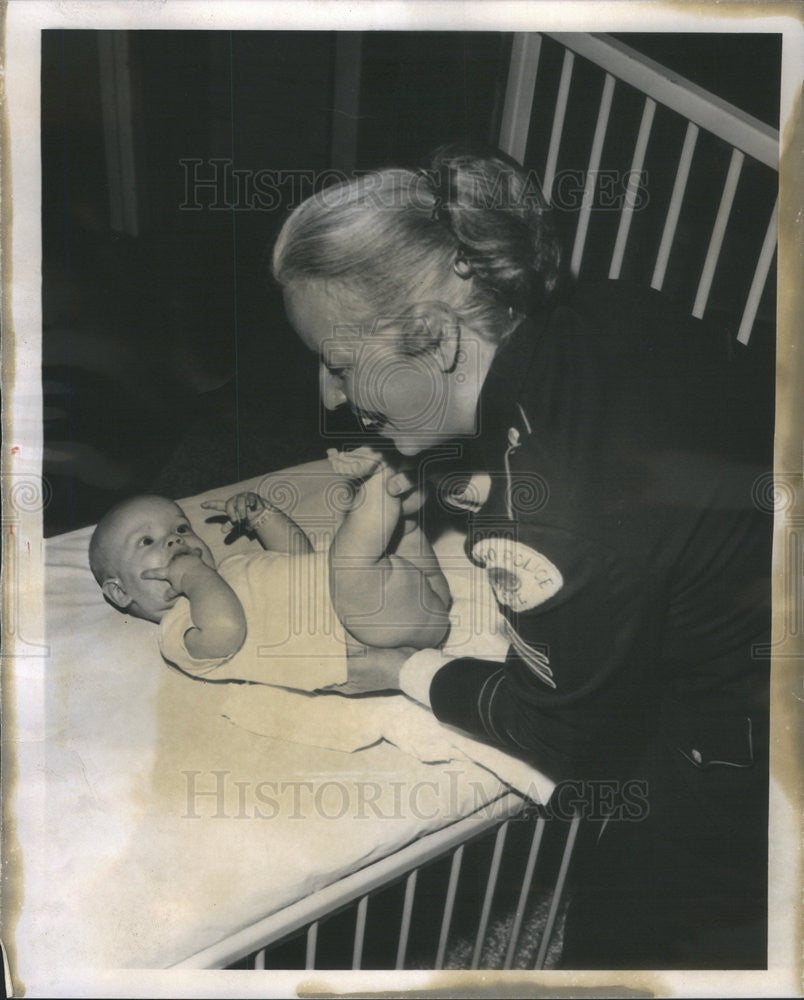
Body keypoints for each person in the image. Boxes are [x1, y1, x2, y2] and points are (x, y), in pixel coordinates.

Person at [271, 145, 772, 969]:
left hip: (757, 750)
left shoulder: (545, 525)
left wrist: (414, 669)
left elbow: (577, 740)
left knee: (621, 943)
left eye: (337, 364)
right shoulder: (612, 306)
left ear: (432, 336)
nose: (334, 401)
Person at [88, 449, 450, 689]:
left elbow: (298, 556)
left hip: (401, 593)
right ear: (120, 592)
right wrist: (194, 576)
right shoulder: (177, 632)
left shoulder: (234, 566)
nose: (173, 541)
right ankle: (386, 483)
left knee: (394, 537)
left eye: (181, 529)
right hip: (368, 627)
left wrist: (263, 517)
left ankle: (401, 513)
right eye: (147, 542)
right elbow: (227, 630)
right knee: (355, 553)